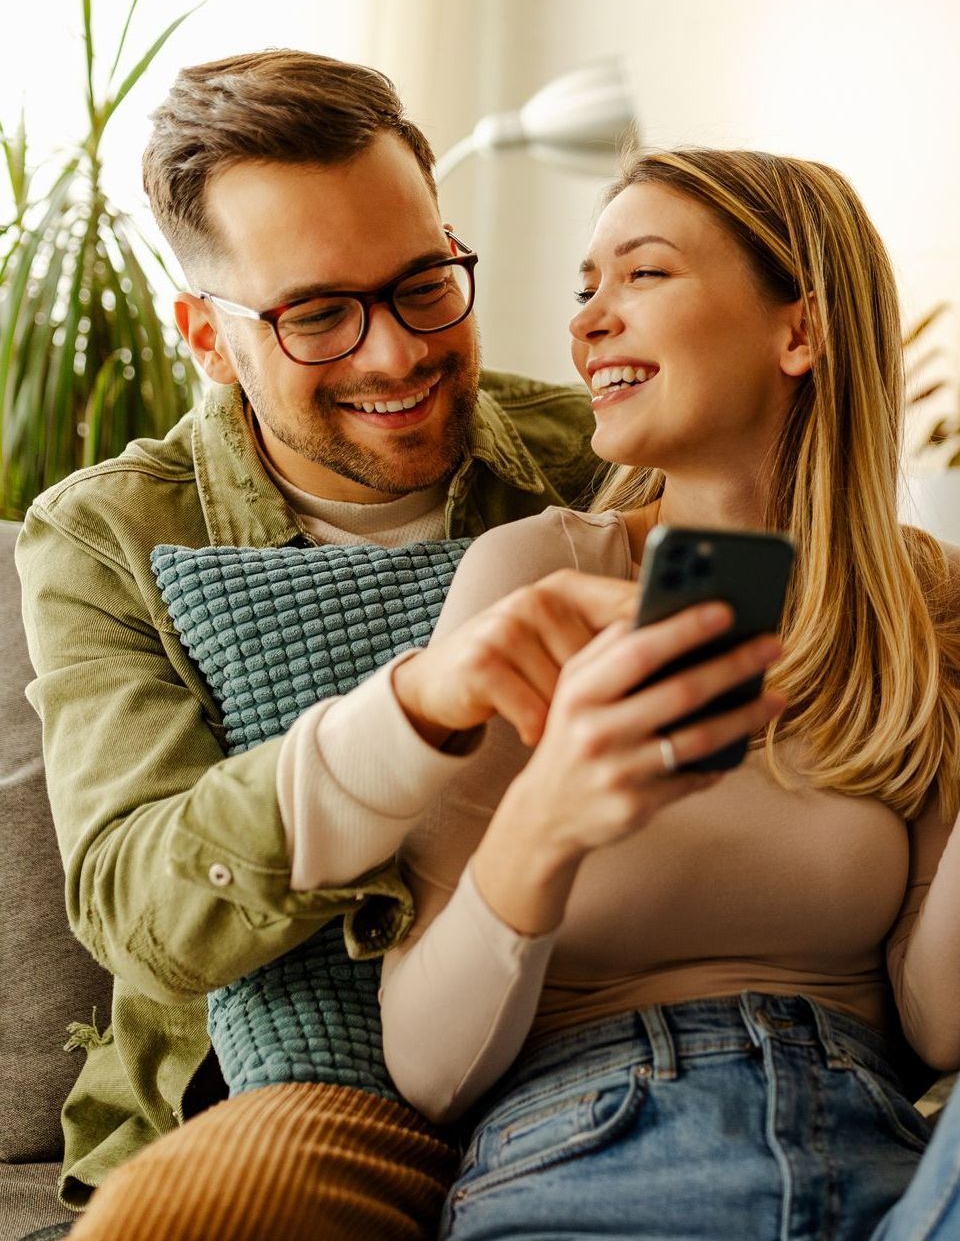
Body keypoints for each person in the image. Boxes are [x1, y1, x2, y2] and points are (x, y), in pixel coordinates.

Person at [289, 146, 960, 1238]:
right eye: (585, 288)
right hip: (599, 1146)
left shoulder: (919, 602)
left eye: (641, 275)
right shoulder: (539, 575)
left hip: (887, 1158)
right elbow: (428, 1066)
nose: (589, 321)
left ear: (801, 329)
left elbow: (940, 1023)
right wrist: (551, 814)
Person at [14, 47, 626, 1241]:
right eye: (317, 314)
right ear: (205, 331)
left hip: (598, 1050)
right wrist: (406, 720)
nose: (394, 352)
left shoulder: (598, 455)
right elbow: (139, 903)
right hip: (292, 1100)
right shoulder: (109, 533)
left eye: (422, 283)